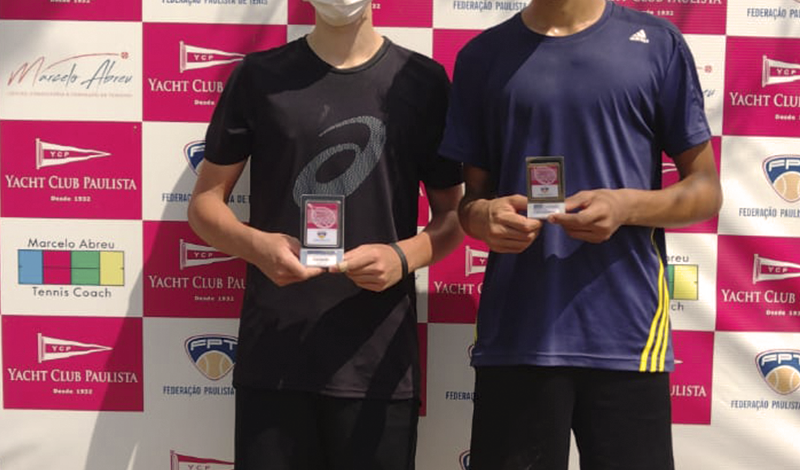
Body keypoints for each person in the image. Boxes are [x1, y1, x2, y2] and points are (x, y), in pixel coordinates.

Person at [439, 0, 723, 469]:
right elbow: (471, 203)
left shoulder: (656, 44)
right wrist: (483, 216)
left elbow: (706, 191)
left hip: (628, 335)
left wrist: (626, 206)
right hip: (517, 334)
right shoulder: (482, 56)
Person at [187, 0, 464, 468]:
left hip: (376, 361)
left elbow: (455, 215)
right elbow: (204, 205)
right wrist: (257, 246)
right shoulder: (259, 76)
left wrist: (403, 257)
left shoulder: (422, 81)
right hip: (275, 358)